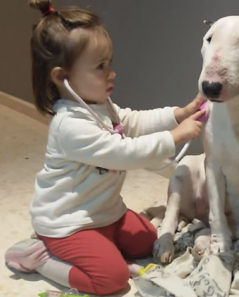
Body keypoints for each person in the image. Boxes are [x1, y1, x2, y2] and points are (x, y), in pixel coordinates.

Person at [4, 0, 206, 295]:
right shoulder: (70, 125)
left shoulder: (99, 107)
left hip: (104, 213)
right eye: (100, 67)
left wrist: (178, 114)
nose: (111, 73)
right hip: (68, 223)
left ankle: (103, 242)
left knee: (148, 239)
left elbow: (132, 121)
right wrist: (175, 136)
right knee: (111, 280)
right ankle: (40, 256)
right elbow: (123, 153)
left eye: (109, 63)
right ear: (63, 77)